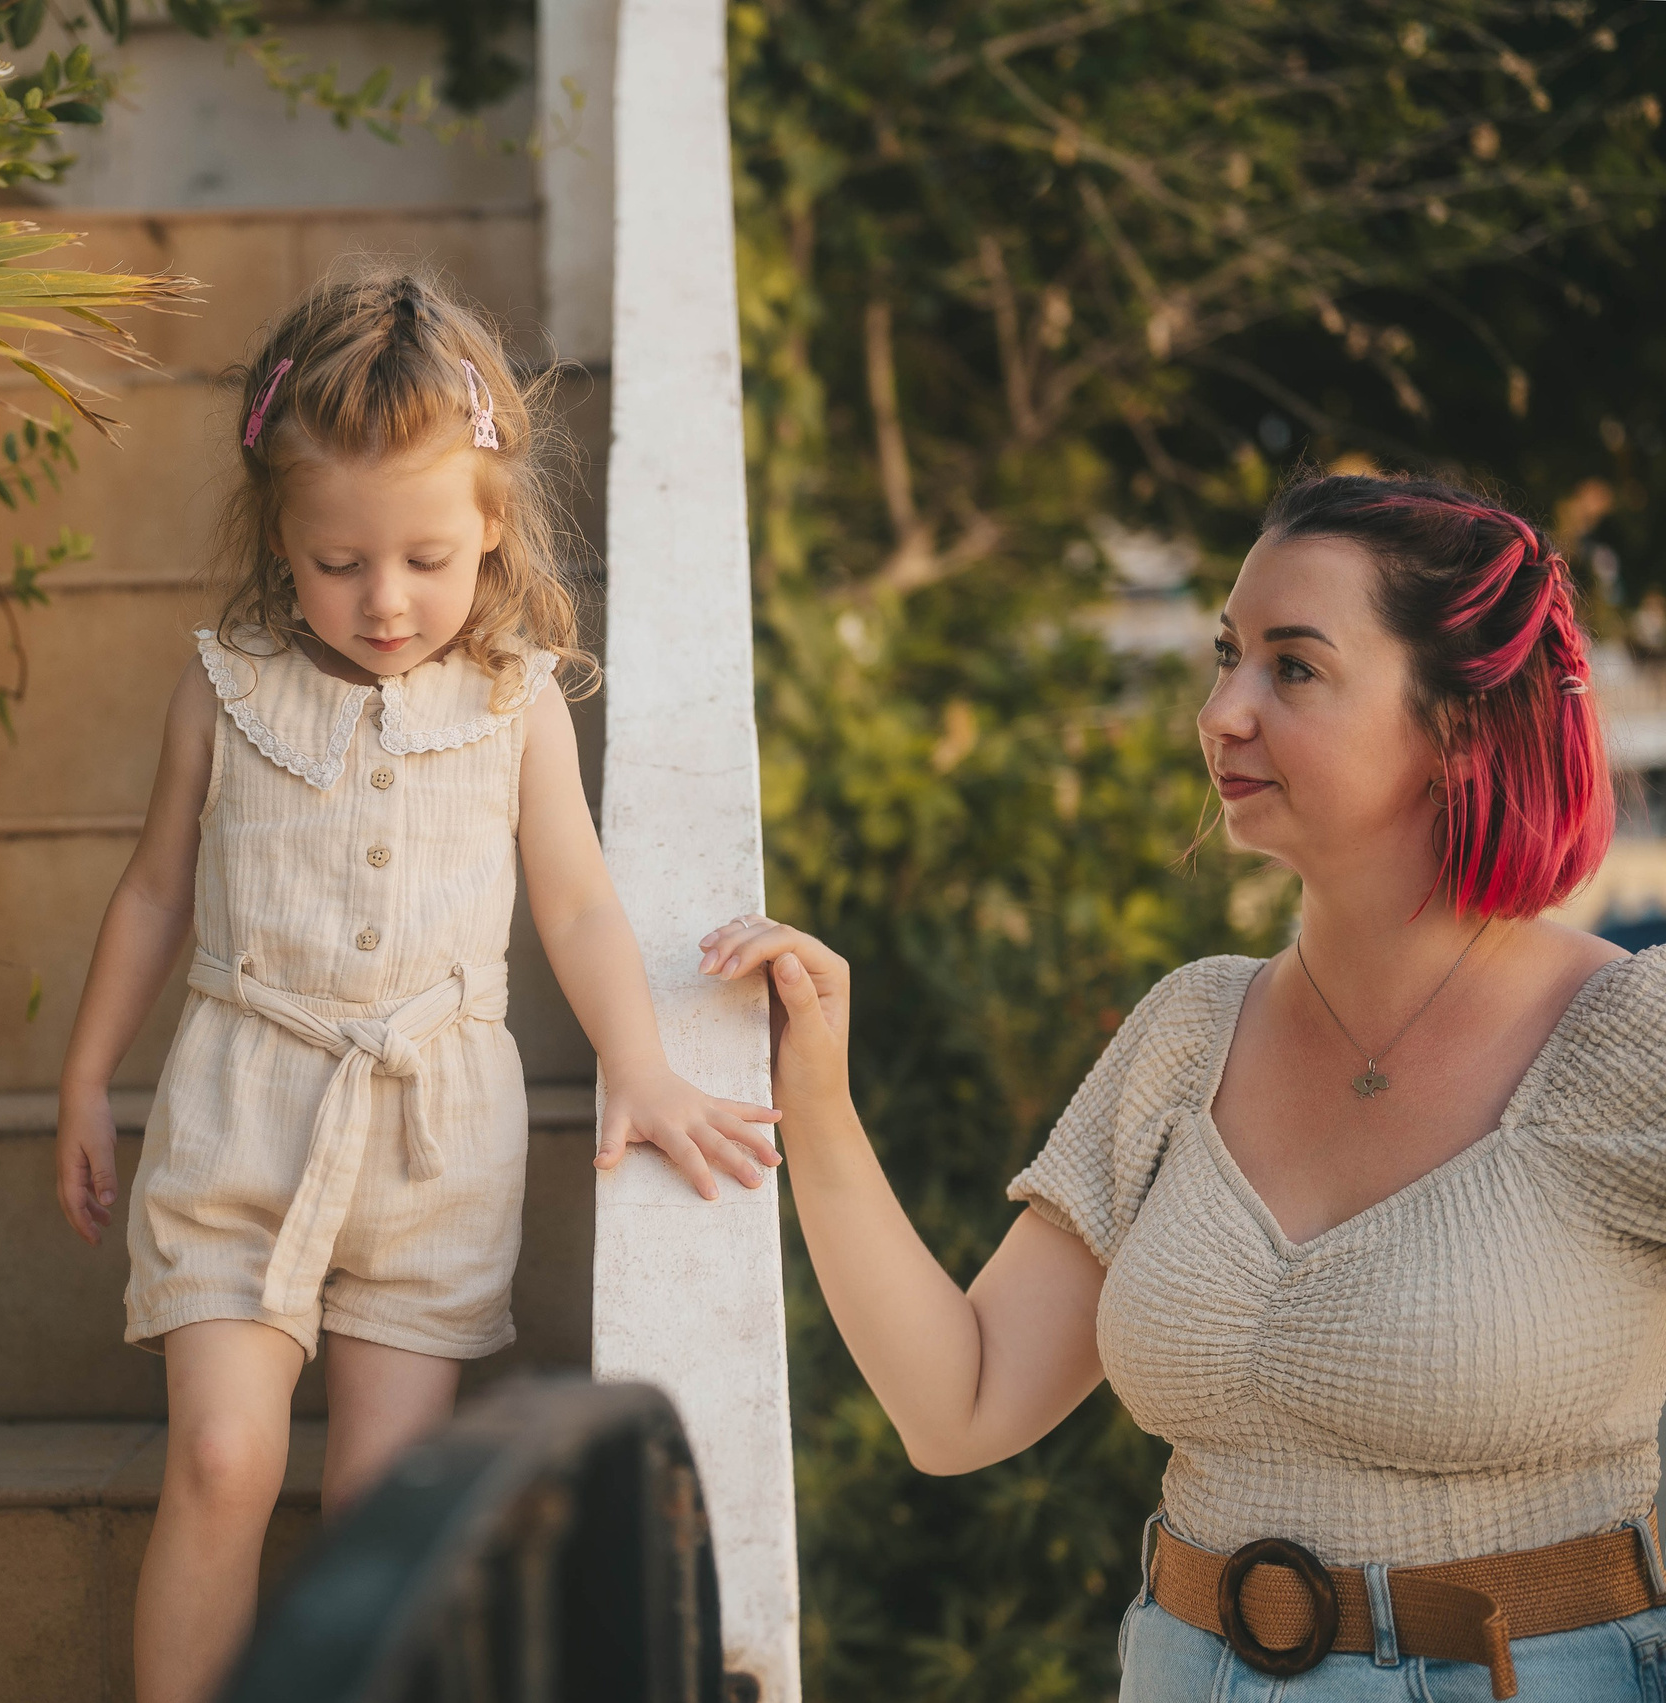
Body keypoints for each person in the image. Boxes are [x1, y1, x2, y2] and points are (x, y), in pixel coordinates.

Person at [702, 472, 1666, 1700]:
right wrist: (819, 1103)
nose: (1222, 711)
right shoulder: (1189, 1029)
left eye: (1292, 667)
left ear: (1457, 727)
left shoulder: (1626, 1036)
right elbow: (961, 1403)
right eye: (1225, 656)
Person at [53, 268, 783, 1703]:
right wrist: (86, 1072)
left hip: (437, 1144)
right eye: (338, 563)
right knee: (220, 1456)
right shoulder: (226, 683)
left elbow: (574, 900)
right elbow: (151, 887)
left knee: (385, 1507)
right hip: (236, 1117)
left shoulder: (515, 702)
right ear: (279, 534)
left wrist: (636, 1061)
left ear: (493, 529)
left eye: (427, 560)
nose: (385, 601)